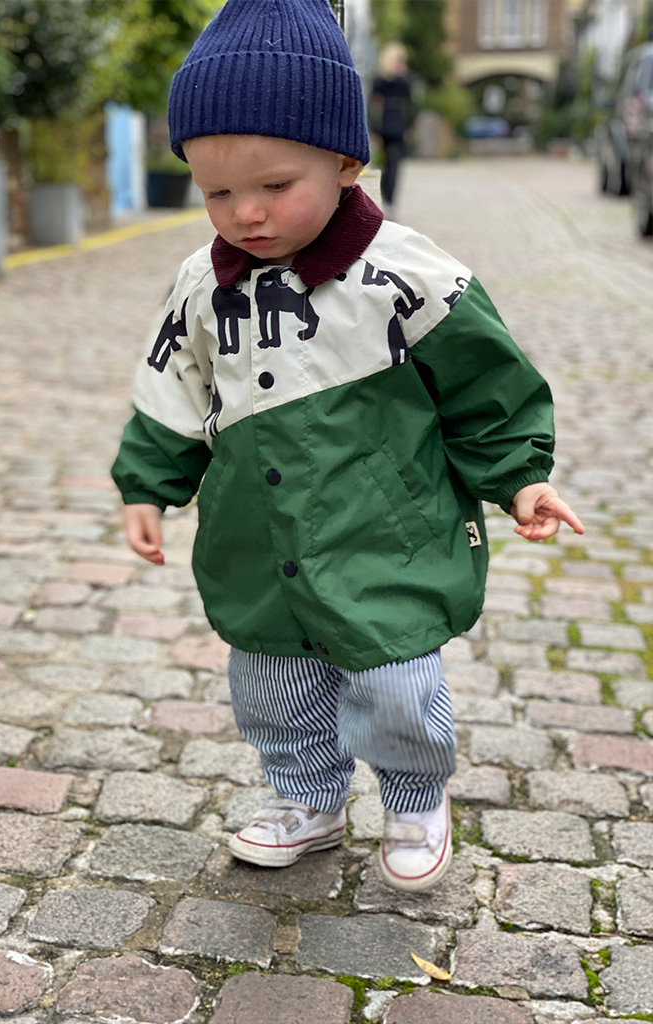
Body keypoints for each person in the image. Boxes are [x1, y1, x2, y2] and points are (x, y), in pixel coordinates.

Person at [111, 0, 583, 893]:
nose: (244, 213)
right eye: (217, 192)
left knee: (398, 685)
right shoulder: (198, 286)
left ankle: (413, 795)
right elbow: (173, 387)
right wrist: (148, 484)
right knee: (272, 687)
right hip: (260, 536)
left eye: (275, 186)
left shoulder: (409, 275)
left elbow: (488, 384)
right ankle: (305, 797)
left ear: (345, 161)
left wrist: (520, 478)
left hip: (386, 536)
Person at [370, 42, 413, 217]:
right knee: (385, 165)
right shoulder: (380, 81)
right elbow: (371, 106)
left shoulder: (403, 81)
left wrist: (409, 127)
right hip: (384, 126)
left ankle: (390, 200)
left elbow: (411, 104)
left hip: (398, 127)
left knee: (394, 164)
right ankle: (385, 199)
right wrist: (373, 129)